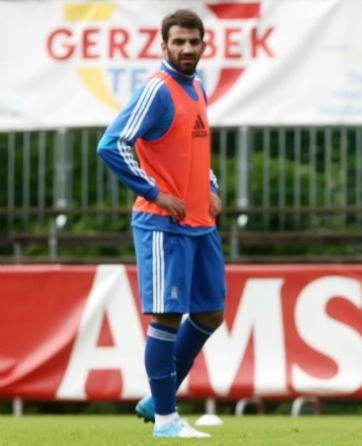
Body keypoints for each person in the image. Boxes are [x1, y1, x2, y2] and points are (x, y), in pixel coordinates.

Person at [97, 9, 225, 439]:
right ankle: (167, 422)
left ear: (204, 44)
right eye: (179, 41)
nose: (187, 48)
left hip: (200, 221)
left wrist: (209, 184)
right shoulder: (157, 90)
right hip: (162, 223)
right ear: (163, 45)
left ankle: (158, 399)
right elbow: (111, 144)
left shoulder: (198, 87)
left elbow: (192, 147)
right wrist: (154, 192)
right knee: (168, 317)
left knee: (210, 313)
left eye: (193, 41)